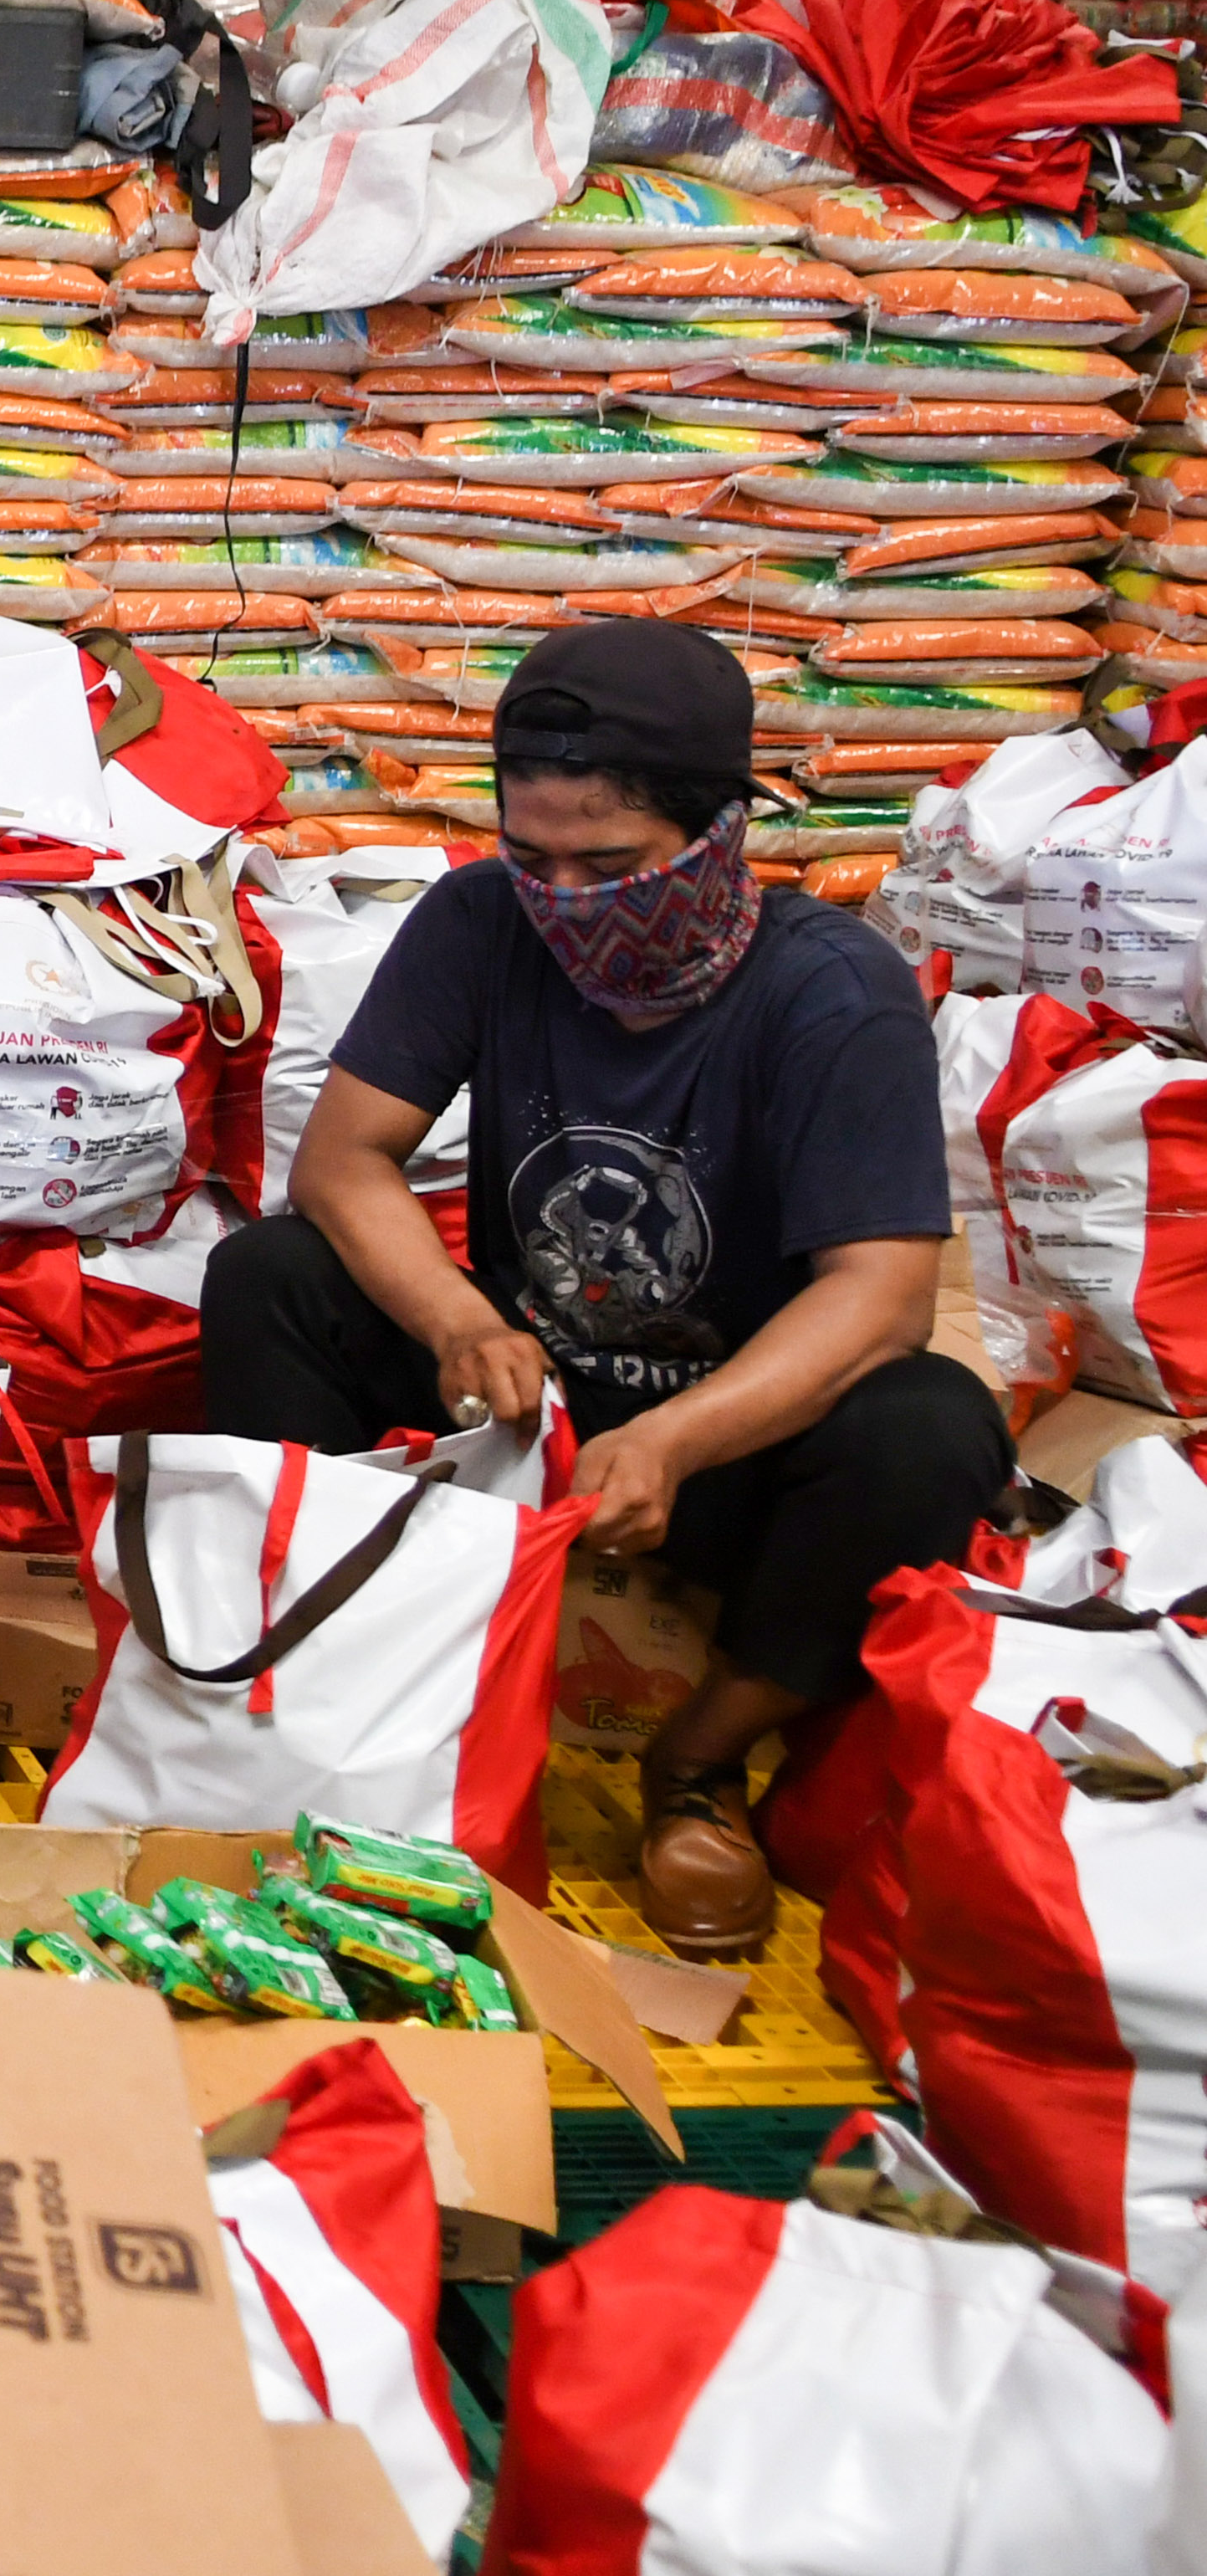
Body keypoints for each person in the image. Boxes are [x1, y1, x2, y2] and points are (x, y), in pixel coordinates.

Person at [200, 617, 1010, 1956]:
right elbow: (346, 1164)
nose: (567, 894)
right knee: (271, 1279)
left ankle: (699, 1767)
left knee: (929, 1428)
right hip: (528, 1410)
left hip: (735, 1441)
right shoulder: (478, 923)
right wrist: (460, 1320)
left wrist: (676, 1440)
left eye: (612, 864)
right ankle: (334, 1692)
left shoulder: (834, 993)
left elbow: (881, 1296)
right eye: (535, 859)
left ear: (720, 836)